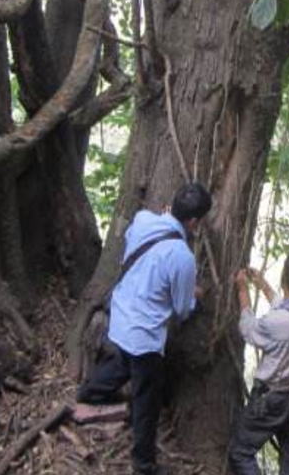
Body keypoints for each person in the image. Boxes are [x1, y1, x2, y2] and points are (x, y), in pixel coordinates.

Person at [77, 182, 212, 475]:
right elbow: (181, 309)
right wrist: (195, 296)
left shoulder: (143, 220)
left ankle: (89, 392)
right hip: (145, 335)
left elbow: (130, 245)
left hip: (121, 315)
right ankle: (144, 463)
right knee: (146, 397)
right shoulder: (182, 256)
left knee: (123, 362)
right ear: (194, 222)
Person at [229, 253, 289, 475]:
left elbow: (249, 329)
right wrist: (263, 286)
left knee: (240, 451)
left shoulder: (276, 323)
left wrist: (242, 290)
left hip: (274, 399)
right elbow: (287, 308)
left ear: (284, 278)